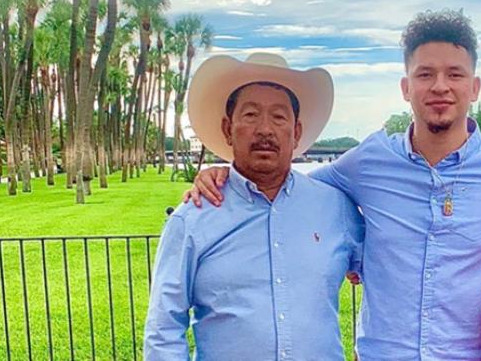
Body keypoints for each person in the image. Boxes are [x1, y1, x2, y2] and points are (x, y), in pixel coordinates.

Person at [185, 10, 481, 360]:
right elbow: (292, 185)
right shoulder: (369, 162)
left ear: (474, 87)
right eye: (425, 74)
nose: (440, 86)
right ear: (406, 88)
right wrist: (228, 170)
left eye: (454, 74)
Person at [143, 53, 363, 360]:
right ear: (227, 128)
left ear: (297, 132)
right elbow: (163, 328)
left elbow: (389, 280)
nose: (265, 129)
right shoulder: (192, 218)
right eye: (250, 115)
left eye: (279, 117)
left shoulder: (335, 208)